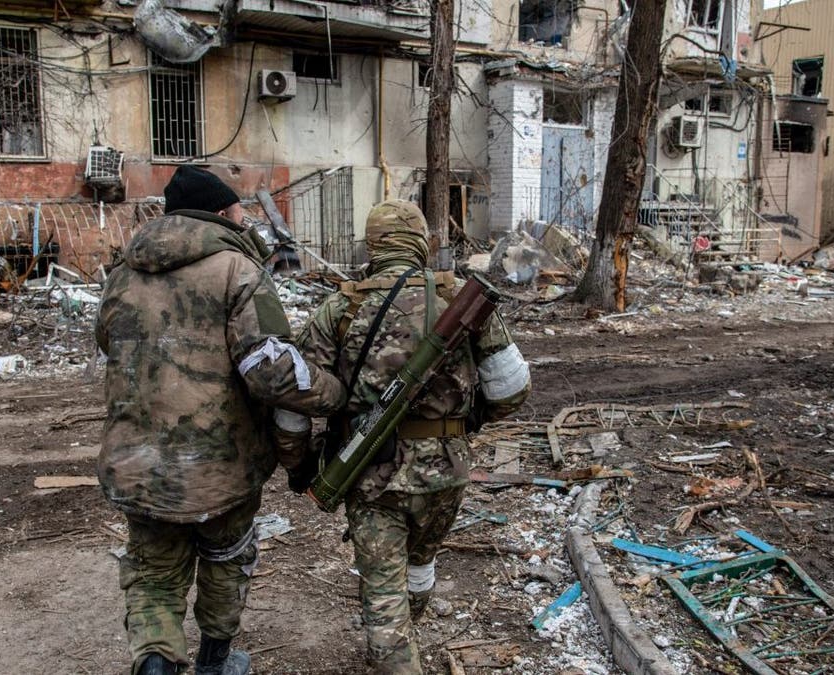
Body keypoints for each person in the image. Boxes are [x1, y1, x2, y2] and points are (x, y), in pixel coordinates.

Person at [95, 165, 346, 675]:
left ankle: (155, 666)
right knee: (226, 559)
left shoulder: (122, 274)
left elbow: (109, 343)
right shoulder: (238, 271)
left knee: (153, 575)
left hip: (139, 468)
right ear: (224, 213)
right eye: (237, 209)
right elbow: (273, 375)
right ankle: (215, 660)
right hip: (221, 470)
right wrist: (336, 394)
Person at [273, 200, 531, 673]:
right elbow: (513, 389)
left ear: (373, 245)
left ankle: (394, 651)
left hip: (371, 474)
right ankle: (402, 637)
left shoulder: (341, 306)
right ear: (419, 242)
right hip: (448, 472)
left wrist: (298, 464)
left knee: (382, 591)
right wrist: (465, 423)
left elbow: (295, 400)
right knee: (420, 563)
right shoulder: (460, 299)